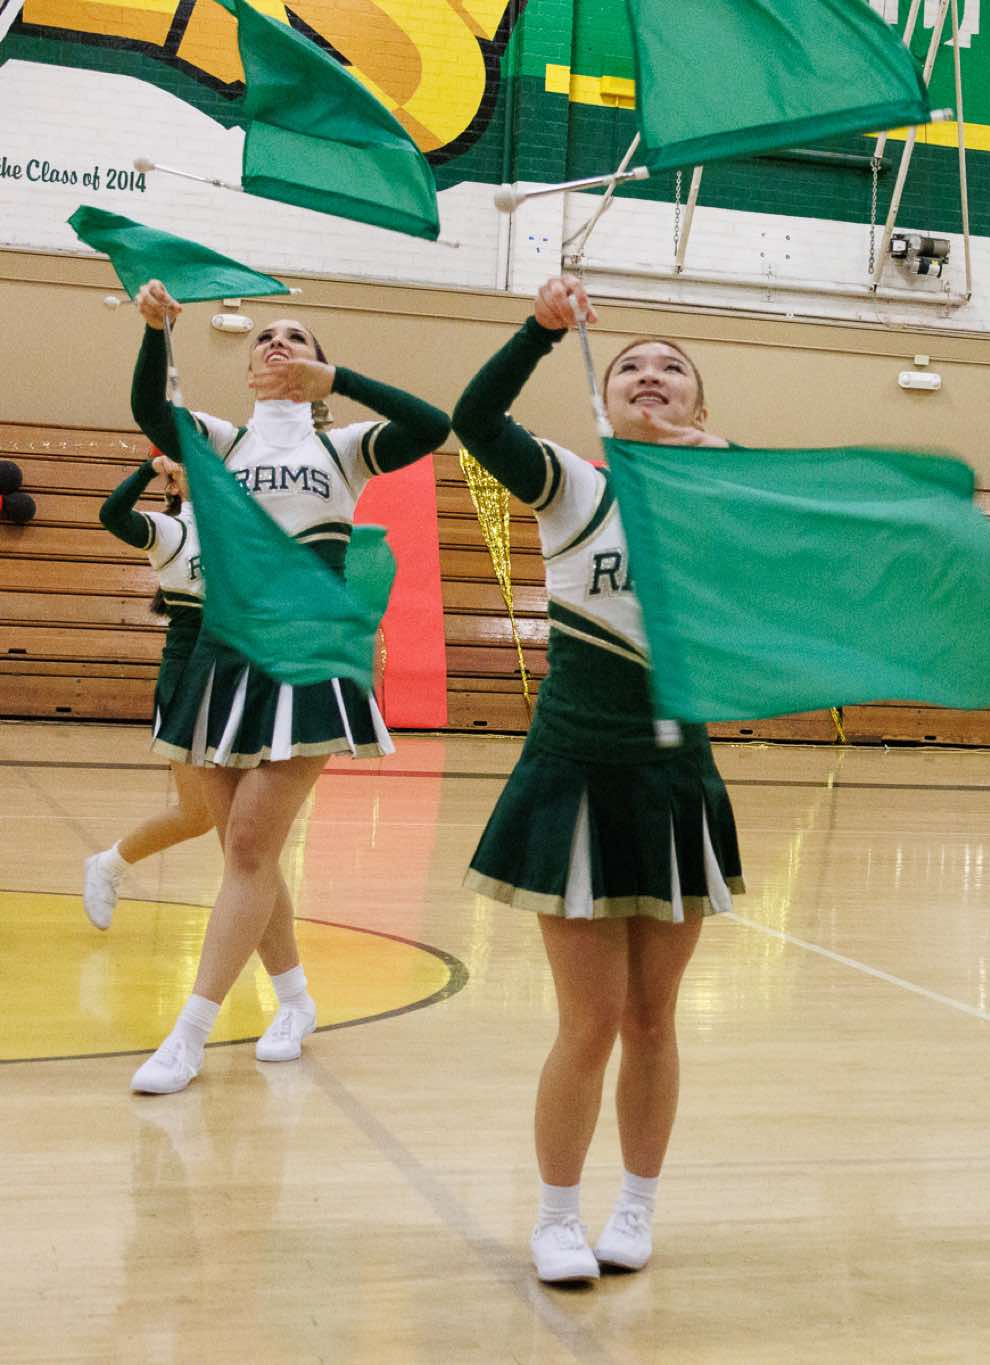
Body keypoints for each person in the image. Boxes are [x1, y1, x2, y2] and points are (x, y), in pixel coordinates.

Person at [452, 275, 745, 1285]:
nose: (649, 375)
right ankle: (555, 1218)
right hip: (574, 775)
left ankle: (636, 1206)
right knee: (587, 1021)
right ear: (603, 400)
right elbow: (473, 421)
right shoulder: (572, 486)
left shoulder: (721, 497)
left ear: (697, 405)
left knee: (652, 1019)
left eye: (672, 369)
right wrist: (539, 331)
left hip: (675, 782)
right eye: (629, 367)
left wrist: (713, 458)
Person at [125, 280, 450, 1094]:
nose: (277, 342)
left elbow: (431, 425)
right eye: (265, 336)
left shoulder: (343, 450)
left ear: (315, 366)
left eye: (296, 336)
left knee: (246, 847)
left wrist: (338, 381)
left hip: (309, 652)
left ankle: (189, 1034)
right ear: (248, 370)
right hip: (226, 654)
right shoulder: (223, 442)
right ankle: (296, 1000)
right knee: (250, 853)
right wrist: (157, 332)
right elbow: (151, 412)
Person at [83, 452, 214, 928]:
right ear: (174, 484)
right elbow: (111, 515)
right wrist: (147, 469)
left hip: (241, 674)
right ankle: (109, 864)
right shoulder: (171, 531)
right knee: (199, 814)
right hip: (190, 678)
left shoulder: (243, 529)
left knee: (244, 815)